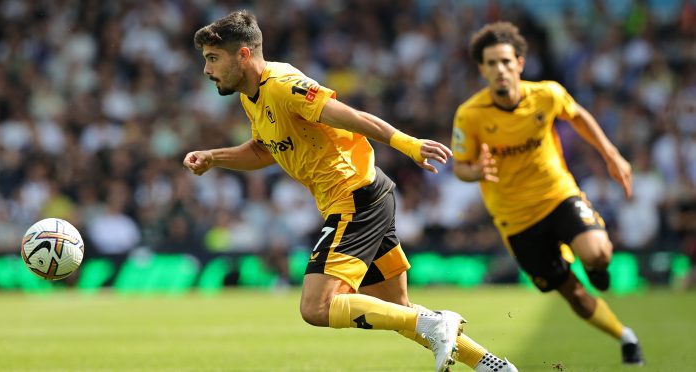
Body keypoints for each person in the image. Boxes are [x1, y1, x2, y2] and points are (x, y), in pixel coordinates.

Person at [184, 10, 516, 372]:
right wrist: (214, 157)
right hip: (368, 194)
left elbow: (352, 116)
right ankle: (490, 365)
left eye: (213, 58)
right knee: (396, 309)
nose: (207, 69)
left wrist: (408, 143)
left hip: (353, 198)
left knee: (317, 308)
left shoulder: (283, 86)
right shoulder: (251, 96)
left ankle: (437, 323)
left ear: (244, 55)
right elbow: (265, 149)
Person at [451, 21, 644, 366]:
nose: (500, 70)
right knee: (575, 295)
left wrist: (611, 154)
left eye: (506, 61)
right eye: (491, 63)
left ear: (520, 63)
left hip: (557, 196)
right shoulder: (470, 116)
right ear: (482, 69)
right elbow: (460, 167)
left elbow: (578, 115)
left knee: (598, 254)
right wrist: (476, 171)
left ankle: (594, 263)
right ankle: (625, 336)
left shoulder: (547, 94)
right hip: (516, 220)